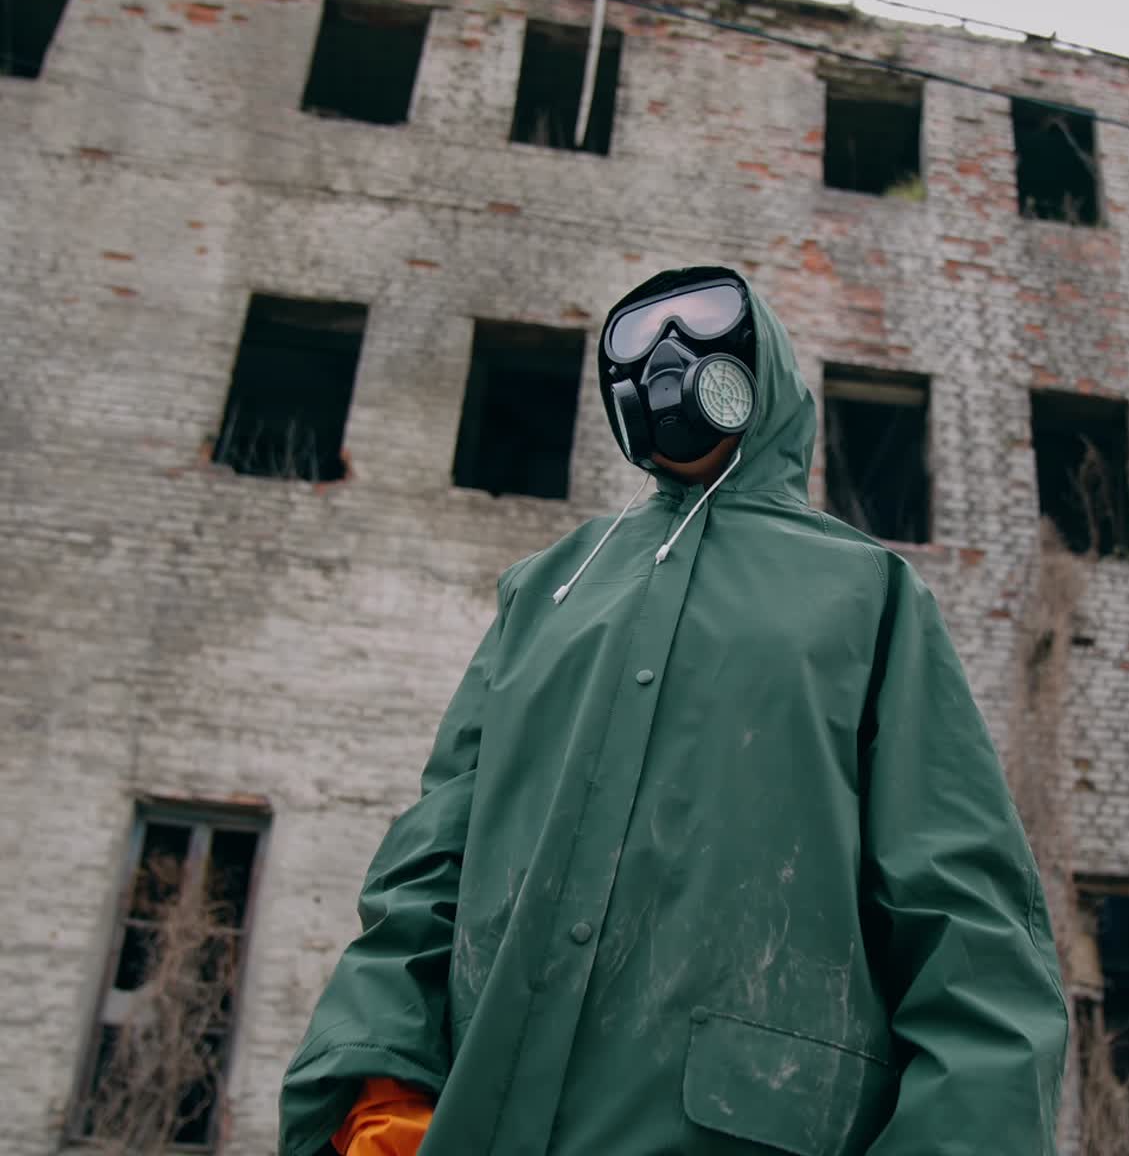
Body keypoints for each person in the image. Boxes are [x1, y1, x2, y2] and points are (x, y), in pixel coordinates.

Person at [278, 266, 1068, 1156]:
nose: (665, 353)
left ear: (756, 359)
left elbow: (965, 919)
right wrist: (378, 1087)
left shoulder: (866, 592)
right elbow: (426, 865)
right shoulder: (546, 591)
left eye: (700, 320)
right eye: (636, 335)